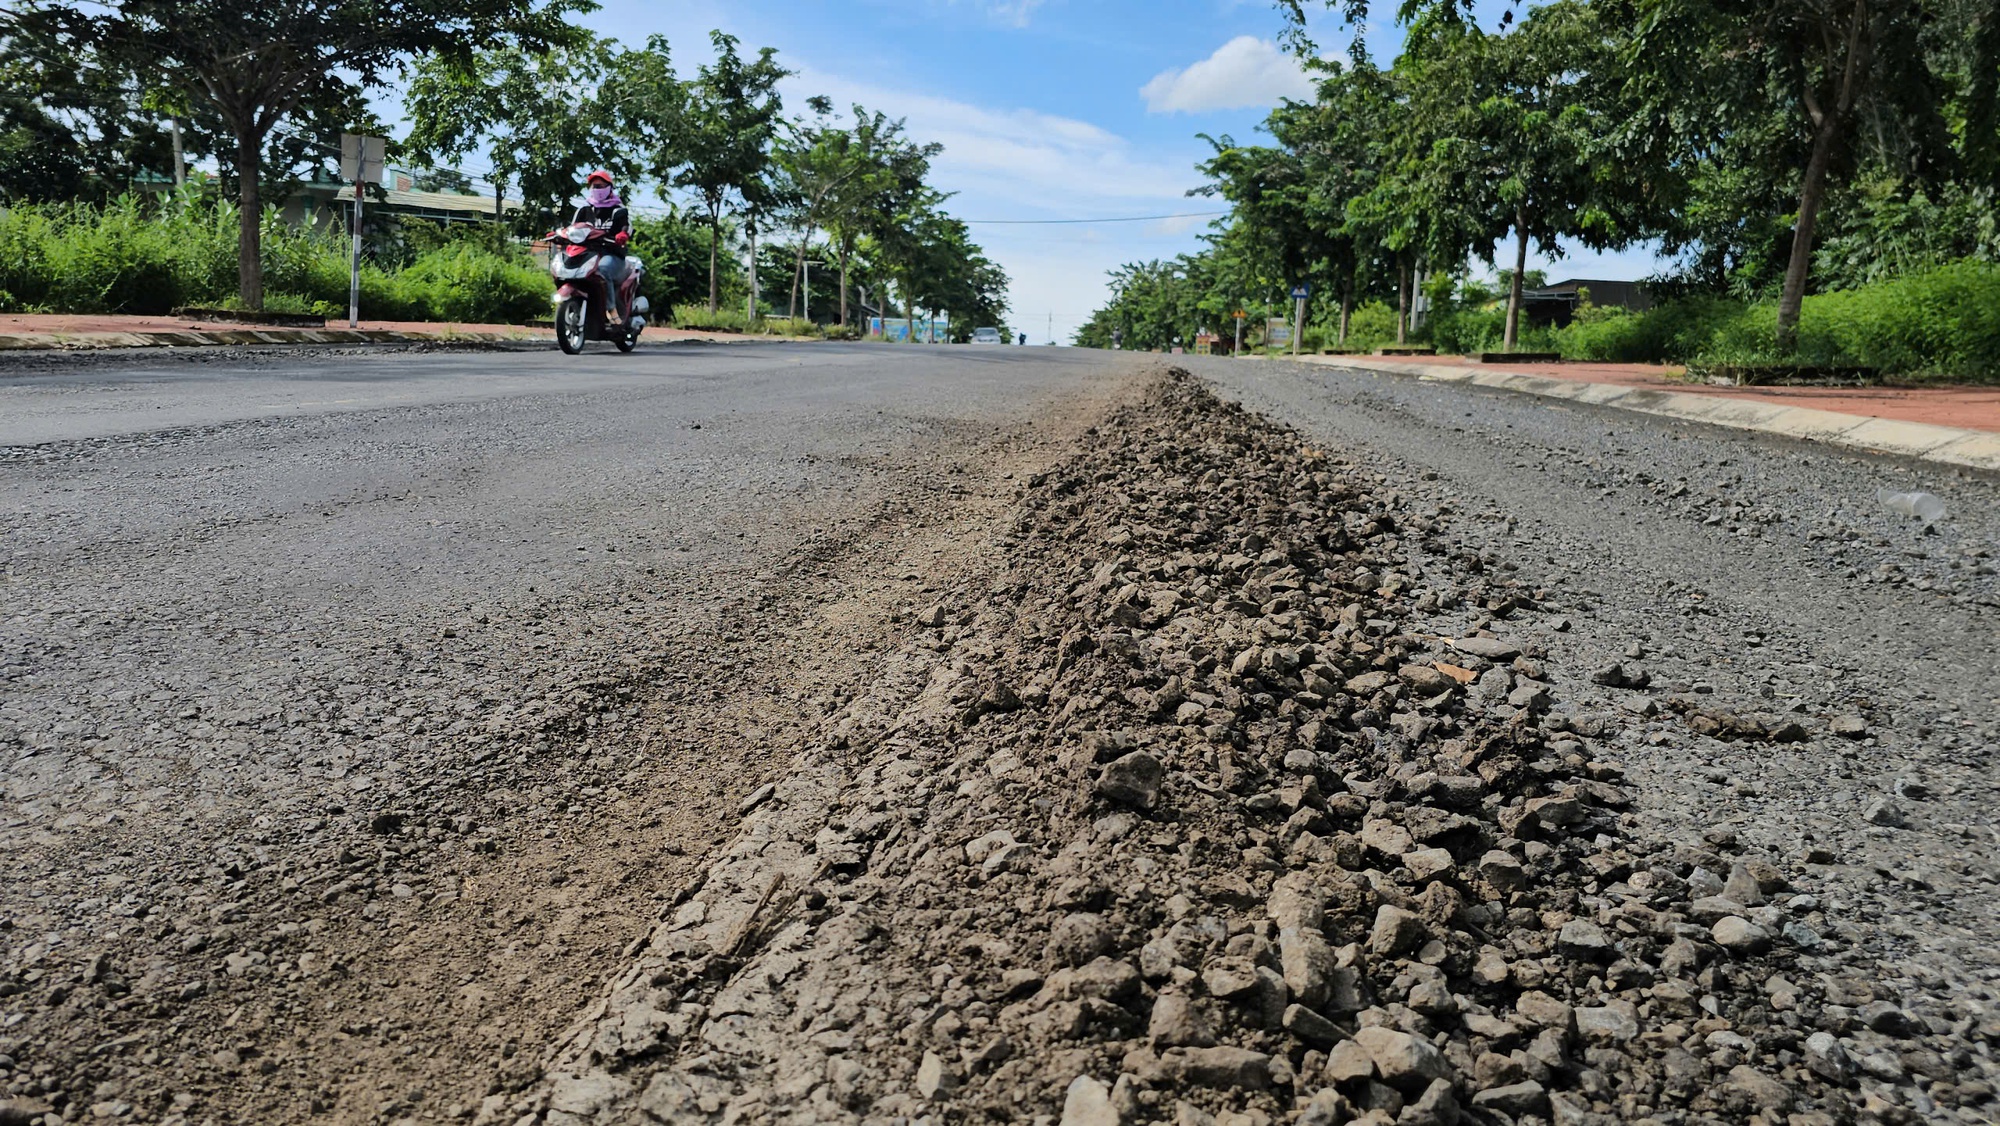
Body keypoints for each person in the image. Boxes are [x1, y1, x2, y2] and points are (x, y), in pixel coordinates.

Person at [573, 170, 636, 322]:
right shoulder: (584, 209)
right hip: (587, 254)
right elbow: (573, 228)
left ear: (609, 188)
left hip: (612, 254)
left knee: (602, 269)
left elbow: (627, 226)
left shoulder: (618, 210)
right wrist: (559, 233)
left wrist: (623, 234)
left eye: (601, 186)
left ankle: (611, 310)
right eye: (595, 186)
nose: (598, 189)